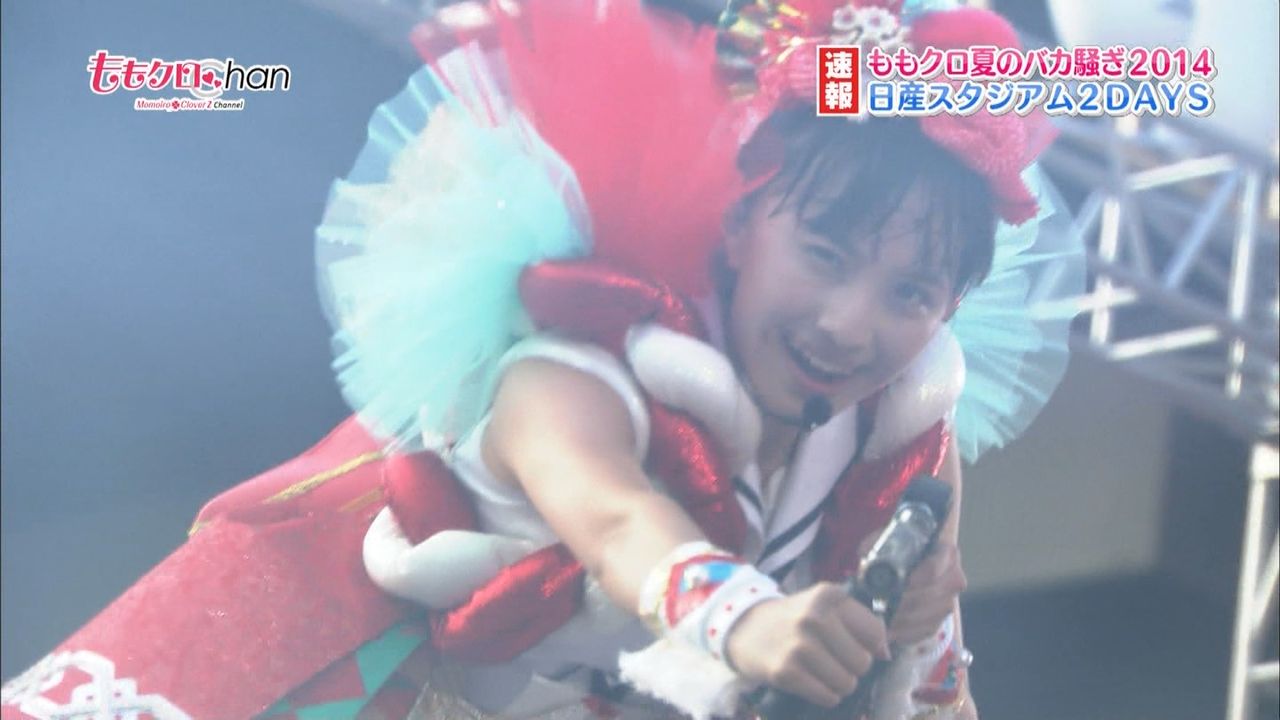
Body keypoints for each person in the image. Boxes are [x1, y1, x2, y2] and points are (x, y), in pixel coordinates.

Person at [0, 1, 1081, 719]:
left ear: (952, 308)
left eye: (909, 294)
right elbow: (614, 517)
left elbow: (929, 668)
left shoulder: (906, 439)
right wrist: (746, 618)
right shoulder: (579, 356)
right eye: (825, 254)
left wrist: (910, 628)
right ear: (744, 215)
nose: (848, 324)